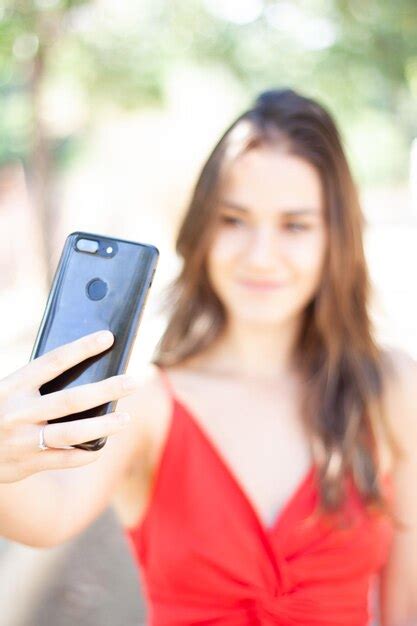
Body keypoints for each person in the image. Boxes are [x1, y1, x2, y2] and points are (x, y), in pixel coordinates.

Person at [0, 88, 416, 626]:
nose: (260, 256)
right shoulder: (151, 401)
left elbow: (405, 607)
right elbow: (50, 514)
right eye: (233, 220)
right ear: (201, 231)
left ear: (337, 239)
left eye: (295, 225)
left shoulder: (391, 389)